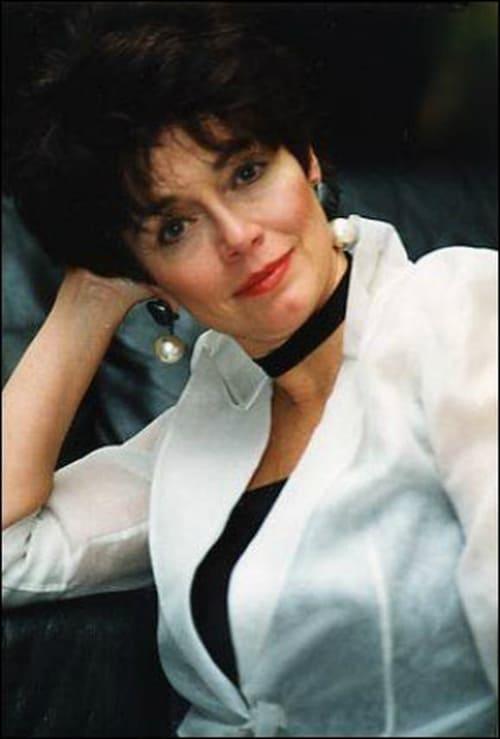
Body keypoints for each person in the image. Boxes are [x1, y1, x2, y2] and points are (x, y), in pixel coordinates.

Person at [2, 3, 497, 737]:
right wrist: (89, 297)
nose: (237, 236)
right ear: (151, 279)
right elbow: (11, 550)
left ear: (308, 161)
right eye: (175, 227)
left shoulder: (460, 309)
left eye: (246, 172)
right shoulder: (204, 426)